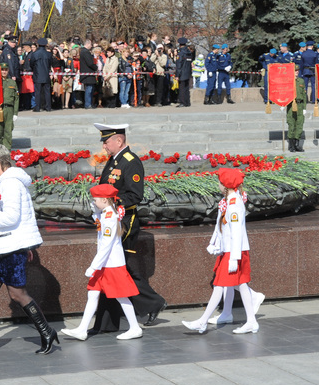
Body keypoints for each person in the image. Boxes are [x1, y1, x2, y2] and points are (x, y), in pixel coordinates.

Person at [0, 144, 57, 354]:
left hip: (10, 248)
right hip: (1, 247)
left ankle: (46, 331)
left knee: (18, 295)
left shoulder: (11, 184)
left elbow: (11, 217)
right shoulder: (6, 182)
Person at [91, 123, 167, 332]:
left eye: (106, 142)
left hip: (124, 223)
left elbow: (135, 195)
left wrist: (111, 203)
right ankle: (107, 322)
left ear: (119, 140)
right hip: (111, 220)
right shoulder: (114, 160)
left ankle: (150, 304)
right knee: (117, 268)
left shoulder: (131, 162)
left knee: (118, 269)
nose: (104, 146)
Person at [60, 184, 143, 341]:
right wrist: (96, 210)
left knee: (121, 296)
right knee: (92, 294)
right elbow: (99, 223)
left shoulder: (110, 217)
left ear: (105, 200)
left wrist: (94, 266)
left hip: (110, 264)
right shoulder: (107, 213)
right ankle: (82, 329)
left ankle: (135, 328)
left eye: (96, 199)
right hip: (106, 263)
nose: (94, 202)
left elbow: (106, 244)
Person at [182, 168, 259, 334]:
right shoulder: (232, 200)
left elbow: (236, 232)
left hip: (234, 252)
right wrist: (217, 245)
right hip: (233, 250)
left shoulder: (233, 204)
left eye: (220, 182)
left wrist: (233, 258)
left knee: (219, 285)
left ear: (226, 185)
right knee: (241, 286)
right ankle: (251, 321)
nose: (218, 184)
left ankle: (202, 322)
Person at [0, 64, 19, 150]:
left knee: (8, 131)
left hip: (9, 109)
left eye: (6, 70)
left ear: (8, 71)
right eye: (2, 70)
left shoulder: (12, 82)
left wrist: (15, 113)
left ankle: (7, 150)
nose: (4, 72)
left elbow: (16, 98)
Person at [286, 64, 306, 152]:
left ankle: (297, 144)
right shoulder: (288, 81)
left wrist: (304, 107)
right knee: (291, 124)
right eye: (295, 71)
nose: (297, 72)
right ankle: (291, 145)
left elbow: (304, 95)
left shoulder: (301, 81)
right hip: (291, 105)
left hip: (300, 105)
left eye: (297, 71)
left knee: (299, 124)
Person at [30, 38, 52, 112]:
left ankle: (38, 107)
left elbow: (31, 64)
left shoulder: (35, 54)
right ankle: (48, 107)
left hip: (37, 75)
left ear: (38, 45)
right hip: (46, 74)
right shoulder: (48, 54)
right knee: (47, 92)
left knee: (38, 92)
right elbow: (50, 64)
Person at [79, 40, 97, 109]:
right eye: (91, 45)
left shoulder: (82, 51)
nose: (91, 46)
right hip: (88, 74)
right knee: (89, 90)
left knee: (90, 89)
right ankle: (88, 104)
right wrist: (96, 67)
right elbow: (90, 63)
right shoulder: (86, 52)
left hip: (87, 74)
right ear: (88, 44)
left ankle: (89, 103)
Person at [175, 37, 193, 107]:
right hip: (188, 72)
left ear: (180, 44)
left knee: (182, 88)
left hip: (182, 73)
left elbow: (179, 65)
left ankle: (182, 102)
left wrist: (177, 75)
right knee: (186, 88)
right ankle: (187, 102)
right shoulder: (189, 52)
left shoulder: (181, 53)